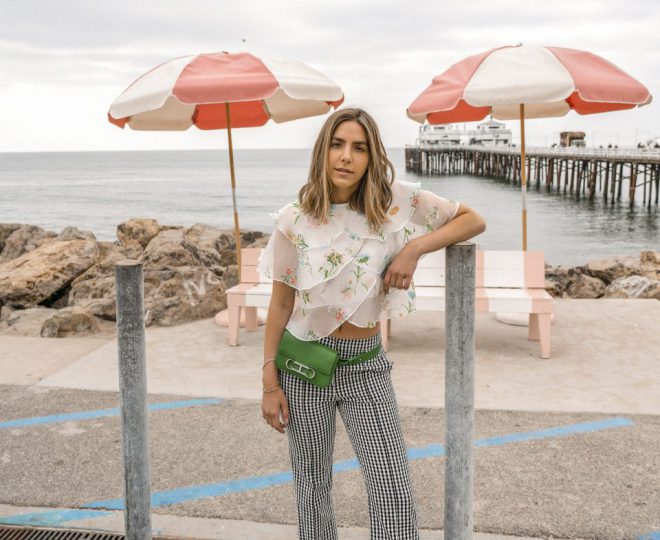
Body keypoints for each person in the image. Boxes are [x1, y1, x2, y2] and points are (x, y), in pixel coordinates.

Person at [258, 107, 486, 540]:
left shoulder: (397, 201)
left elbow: (472, 219)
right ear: (323, 152)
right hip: (304, 368)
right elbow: (281, 301)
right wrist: (269, 380)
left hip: (366, 365)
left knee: (391, 488)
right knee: (311, 488)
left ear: (372, 156)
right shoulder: (294, 220)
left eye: (359, 148)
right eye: (337, 145)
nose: (346, 156)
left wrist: (414, 248)